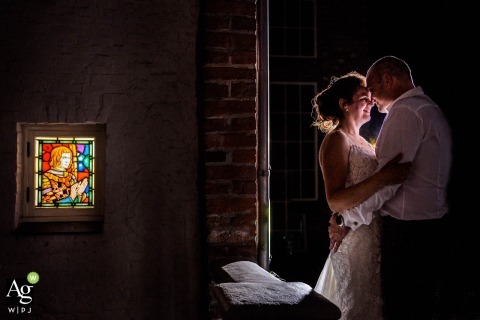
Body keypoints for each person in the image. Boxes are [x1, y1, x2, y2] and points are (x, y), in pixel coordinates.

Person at [331, 56, 453, 320]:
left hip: (409, 234)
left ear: (389, 79)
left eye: (372, 89)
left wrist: (346, 219)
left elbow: (389, 182)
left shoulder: (406, 112)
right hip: (429, 228)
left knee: (404, 310)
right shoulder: (428, 108)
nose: (371, 98)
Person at [311, 71, 411, 320]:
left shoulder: (366, 142)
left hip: (373, 231)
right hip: (356, 242)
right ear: (344, 105)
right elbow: (335, 200)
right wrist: (383, 177)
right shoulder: (337, 140)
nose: (370, 103)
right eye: (363, 99)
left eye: (370, 98)